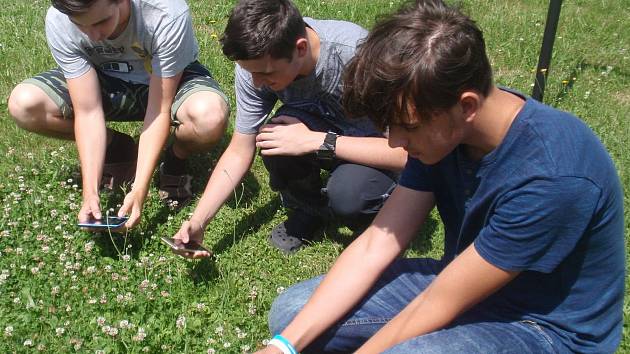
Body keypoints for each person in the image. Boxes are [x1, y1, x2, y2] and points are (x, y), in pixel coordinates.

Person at [258, 1, 625, 353]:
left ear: (467, 106)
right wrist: (283, 346)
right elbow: (377, 245)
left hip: (543, 328)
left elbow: (439, 303)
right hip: (461, 285)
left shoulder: (553, 175)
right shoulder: (441, 131)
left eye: (406, 128)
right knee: (293, 313)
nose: (396, 142)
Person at [172, 0, 406, 255]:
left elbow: (406, 153)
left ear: (301, 48)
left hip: (380, 149)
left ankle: (384, 202)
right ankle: (309, 209)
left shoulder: (358, 57)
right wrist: (199, 220)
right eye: (249, 72)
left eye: (266, 73)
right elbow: (240, 149)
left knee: (350, 198)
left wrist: (317, 141)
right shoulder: (256, 65)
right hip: (324, 133)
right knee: (275, 136)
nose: (257, 83)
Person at [7, 0, 229, 229]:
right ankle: (118, 148)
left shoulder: (166, 12)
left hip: (169, 83)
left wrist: (139, 188)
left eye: (102, 21)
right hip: (105, 81)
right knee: (24, 104)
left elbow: (159, 109)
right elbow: (88, 110)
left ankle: (174, 158)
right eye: (81, 26)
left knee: (209, 116)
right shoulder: (60, 18)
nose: (94, 36)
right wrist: (90, 192)